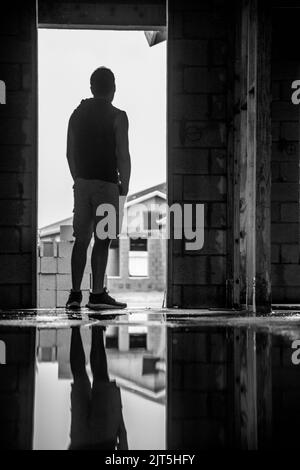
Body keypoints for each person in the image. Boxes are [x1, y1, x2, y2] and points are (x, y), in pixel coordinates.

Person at [66, 67, 131, 310]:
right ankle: (97, 294)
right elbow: (123, 155)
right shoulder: (118, 116)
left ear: (92, 87)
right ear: (113, 89)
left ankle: (74, 296)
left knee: (80, 239)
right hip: (106, 185)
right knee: (102, 240)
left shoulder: (76, 114)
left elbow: (69, 153)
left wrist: (79, 179)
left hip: (82, 184)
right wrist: (124, 185)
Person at [69, 326, 128, 450]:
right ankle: (76, 328)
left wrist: (119, 417)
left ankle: (96, 329)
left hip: (104, 438)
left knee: (100, 377)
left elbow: (123, 446)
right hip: (82, 442)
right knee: (80, 378)